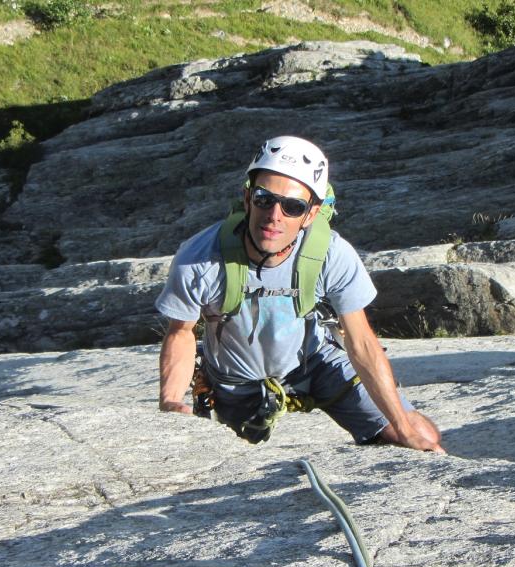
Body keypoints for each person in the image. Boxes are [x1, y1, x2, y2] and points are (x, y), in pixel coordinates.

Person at [155, 135, 444, 453]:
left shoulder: (330, 253)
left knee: (419, 435)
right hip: (236, 379)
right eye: (265, 199)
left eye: (293, 206)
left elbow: (361, 342)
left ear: (311, 214)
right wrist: (170, 403)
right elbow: (180, 333)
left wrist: (403, 429)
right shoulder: (200, 257)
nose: (275, 215)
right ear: (248, 198)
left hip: (317, 365)